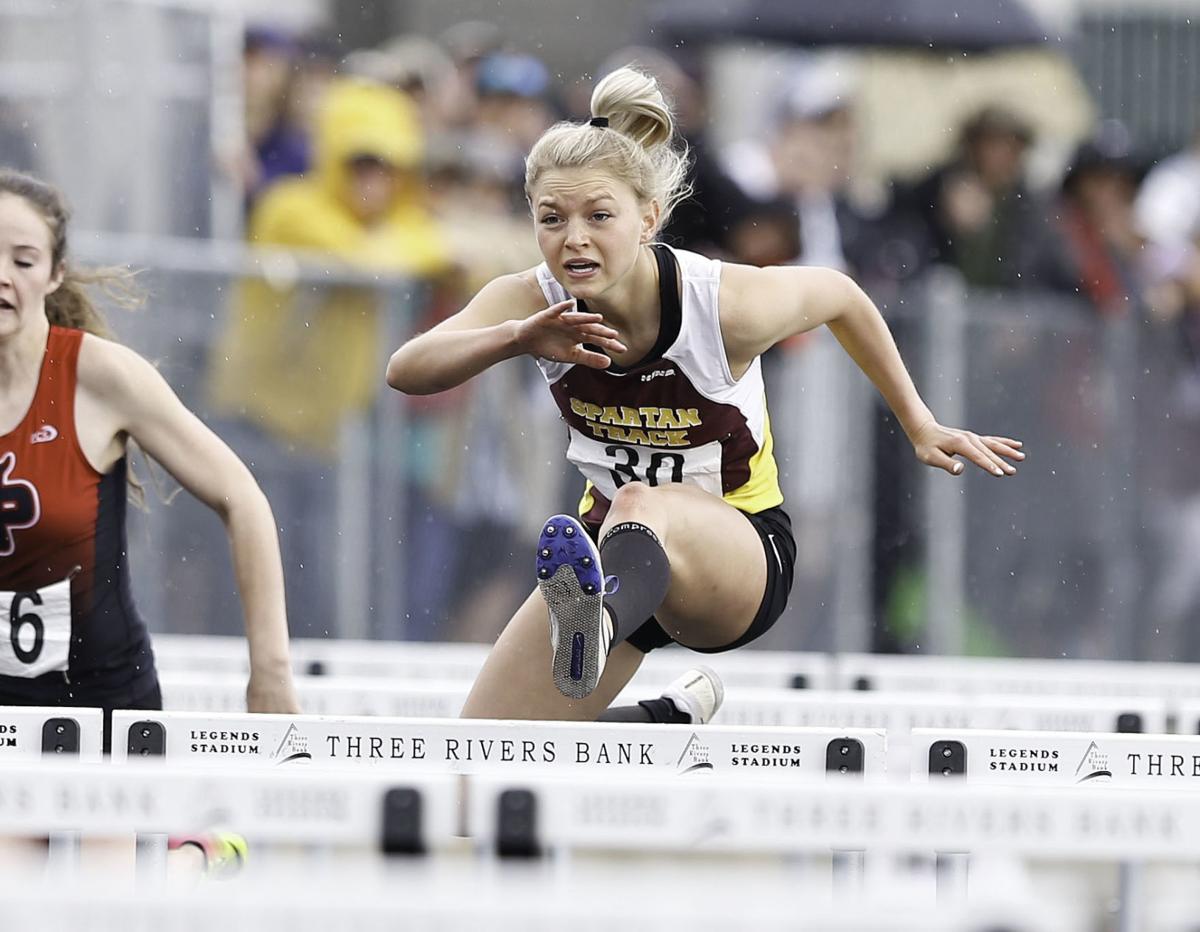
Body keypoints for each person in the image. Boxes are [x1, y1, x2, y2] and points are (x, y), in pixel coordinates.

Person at [386, 68, 1024, 718]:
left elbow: (841, 295)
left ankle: (596, 624)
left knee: (639, 500)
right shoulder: (529, 303)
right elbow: (407, 369)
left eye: (598, 216)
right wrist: (516, 338)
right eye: (552, 219)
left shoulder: (721, 304)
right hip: (616, 557)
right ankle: (659, 718)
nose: (573, 237)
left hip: (738, 560)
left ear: (648, 220)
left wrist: (918, 422)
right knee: (482, 749)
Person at [0, 169, 300, 750]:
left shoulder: (100, 376)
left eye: (23, 260)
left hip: (96, 708)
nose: (1, 277)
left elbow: (242, 498)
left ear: (55, 274)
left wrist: (270, 671)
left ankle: (193, 847)